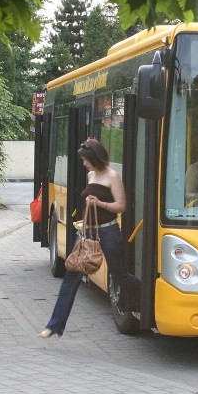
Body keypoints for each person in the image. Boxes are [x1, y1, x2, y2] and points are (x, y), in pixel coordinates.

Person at [39, 138, 140, 338]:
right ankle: (54, 325)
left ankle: (149, 297)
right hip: (87, 233)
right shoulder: (91, 175)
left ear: (96, 159)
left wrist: (100, 204)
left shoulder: (113, 176)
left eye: (86, 160)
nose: (84, 164)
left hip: (109, 230)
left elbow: (121, 206)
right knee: (71, 275)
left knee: (119, 275)